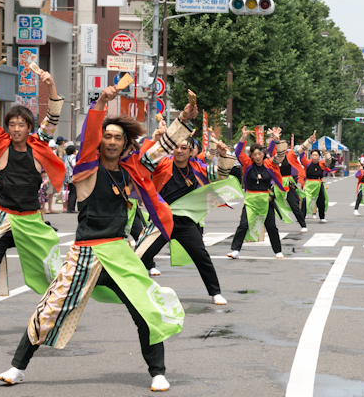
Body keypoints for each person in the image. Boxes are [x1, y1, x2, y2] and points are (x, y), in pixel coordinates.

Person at [0, 86, 195, 391]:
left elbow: (160, 149)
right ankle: (17, 367)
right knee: (50, 308)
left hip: (118, 252)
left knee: (144, 309)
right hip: (85, 253)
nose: (112, 141)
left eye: (118, 137)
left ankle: (158, 371)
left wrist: (183, 119)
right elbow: (88, 137)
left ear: (125, 143)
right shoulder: (87, 169)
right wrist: (100, 104)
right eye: (107, 136)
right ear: (99, 141)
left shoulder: (130, 171)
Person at [0, 64, 66, 339]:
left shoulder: (39, 143)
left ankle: (55, 317)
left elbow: (53, 114)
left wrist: (51, 83)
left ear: (29, 127)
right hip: (4, 219)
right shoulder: (0, 143)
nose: (17, 128)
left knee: (53, 270)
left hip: (31, 219)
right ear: (8, 127)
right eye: (12, 124)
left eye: (22, 124)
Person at [138, 136, 227, 304]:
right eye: (176, 147)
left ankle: (215, 292)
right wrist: (157, 139)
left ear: (192, 151)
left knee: (201, 256)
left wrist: (222, 156)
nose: (179, 150)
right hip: (161, 220)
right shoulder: (163, 164)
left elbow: (221, 175)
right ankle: (130, 290)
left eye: (184, 148)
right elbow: (145, 160)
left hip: (185, 222)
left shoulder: (197, 167)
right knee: (142, 255)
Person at [226, 127, 288, 259]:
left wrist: (276, 140)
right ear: (251, 156)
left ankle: (278, 251)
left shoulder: (270, 163)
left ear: (263, 154)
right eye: (254, 154)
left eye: (259, 154)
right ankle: (235, 250)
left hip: (266, 199)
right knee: (243, 224)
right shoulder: (247, 164)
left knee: (271, 226)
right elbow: (238, 152)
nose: (257, 156)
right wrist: (243, 138)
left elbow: (281, 156)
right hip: (251, 199)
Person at [300, 133, 333, 223]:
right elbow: (301, 156)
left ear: (319, 156)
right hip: (309, 184)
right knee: (305, 200)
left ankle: (322, 217)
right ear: (311, 156)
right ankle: (302, 216)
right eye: (313, 155)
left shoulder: (321, 164)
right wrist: (307, 143)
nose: (314, 156)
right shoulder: (307, 163)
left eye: (316, 155)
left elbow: (328, 161)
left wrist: (325, 152)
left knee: (321, 201)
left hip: (319, 184)